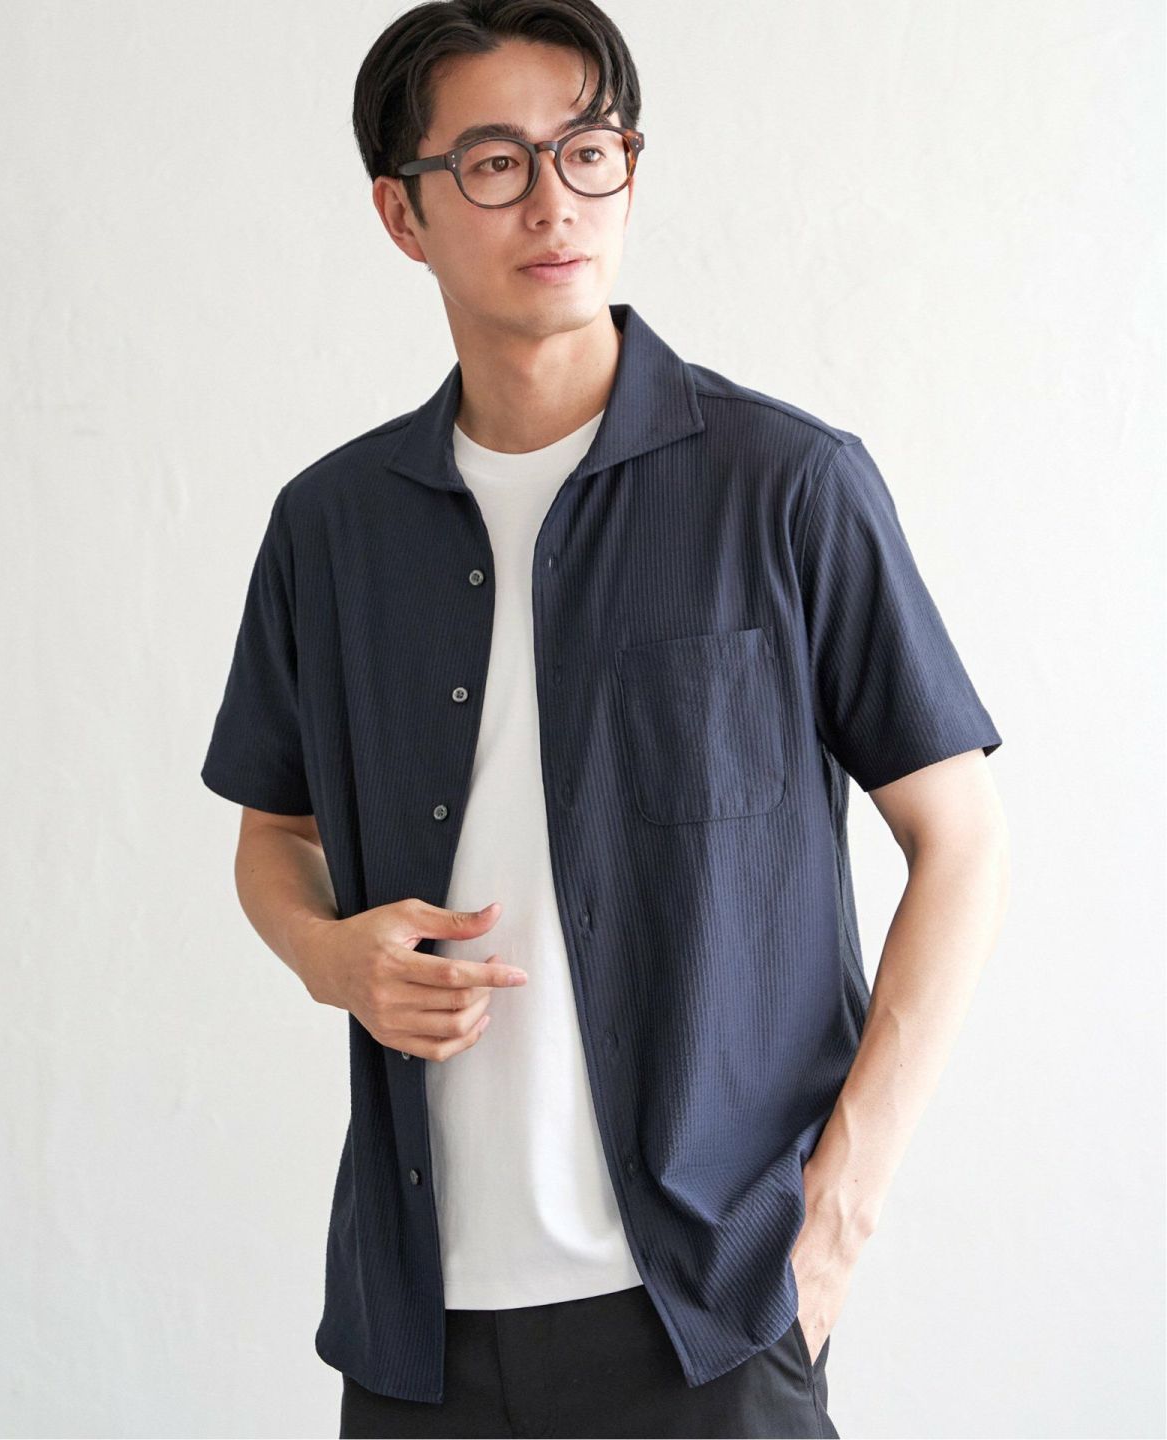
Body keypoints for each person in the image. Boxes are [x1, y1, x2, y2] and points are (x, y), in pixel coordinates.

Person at [200, 2, 1010, 1435]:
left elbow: (962, 840)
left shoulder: (786, 485)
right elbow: (275, 833)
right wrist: (331, 957)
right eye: (495, 163)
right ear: (402, 214)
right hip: (417, 1328)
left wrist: (841, 1210)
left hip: (709, 1313)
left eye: (588, 151)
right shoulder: (330, 528)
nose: (555, 201)